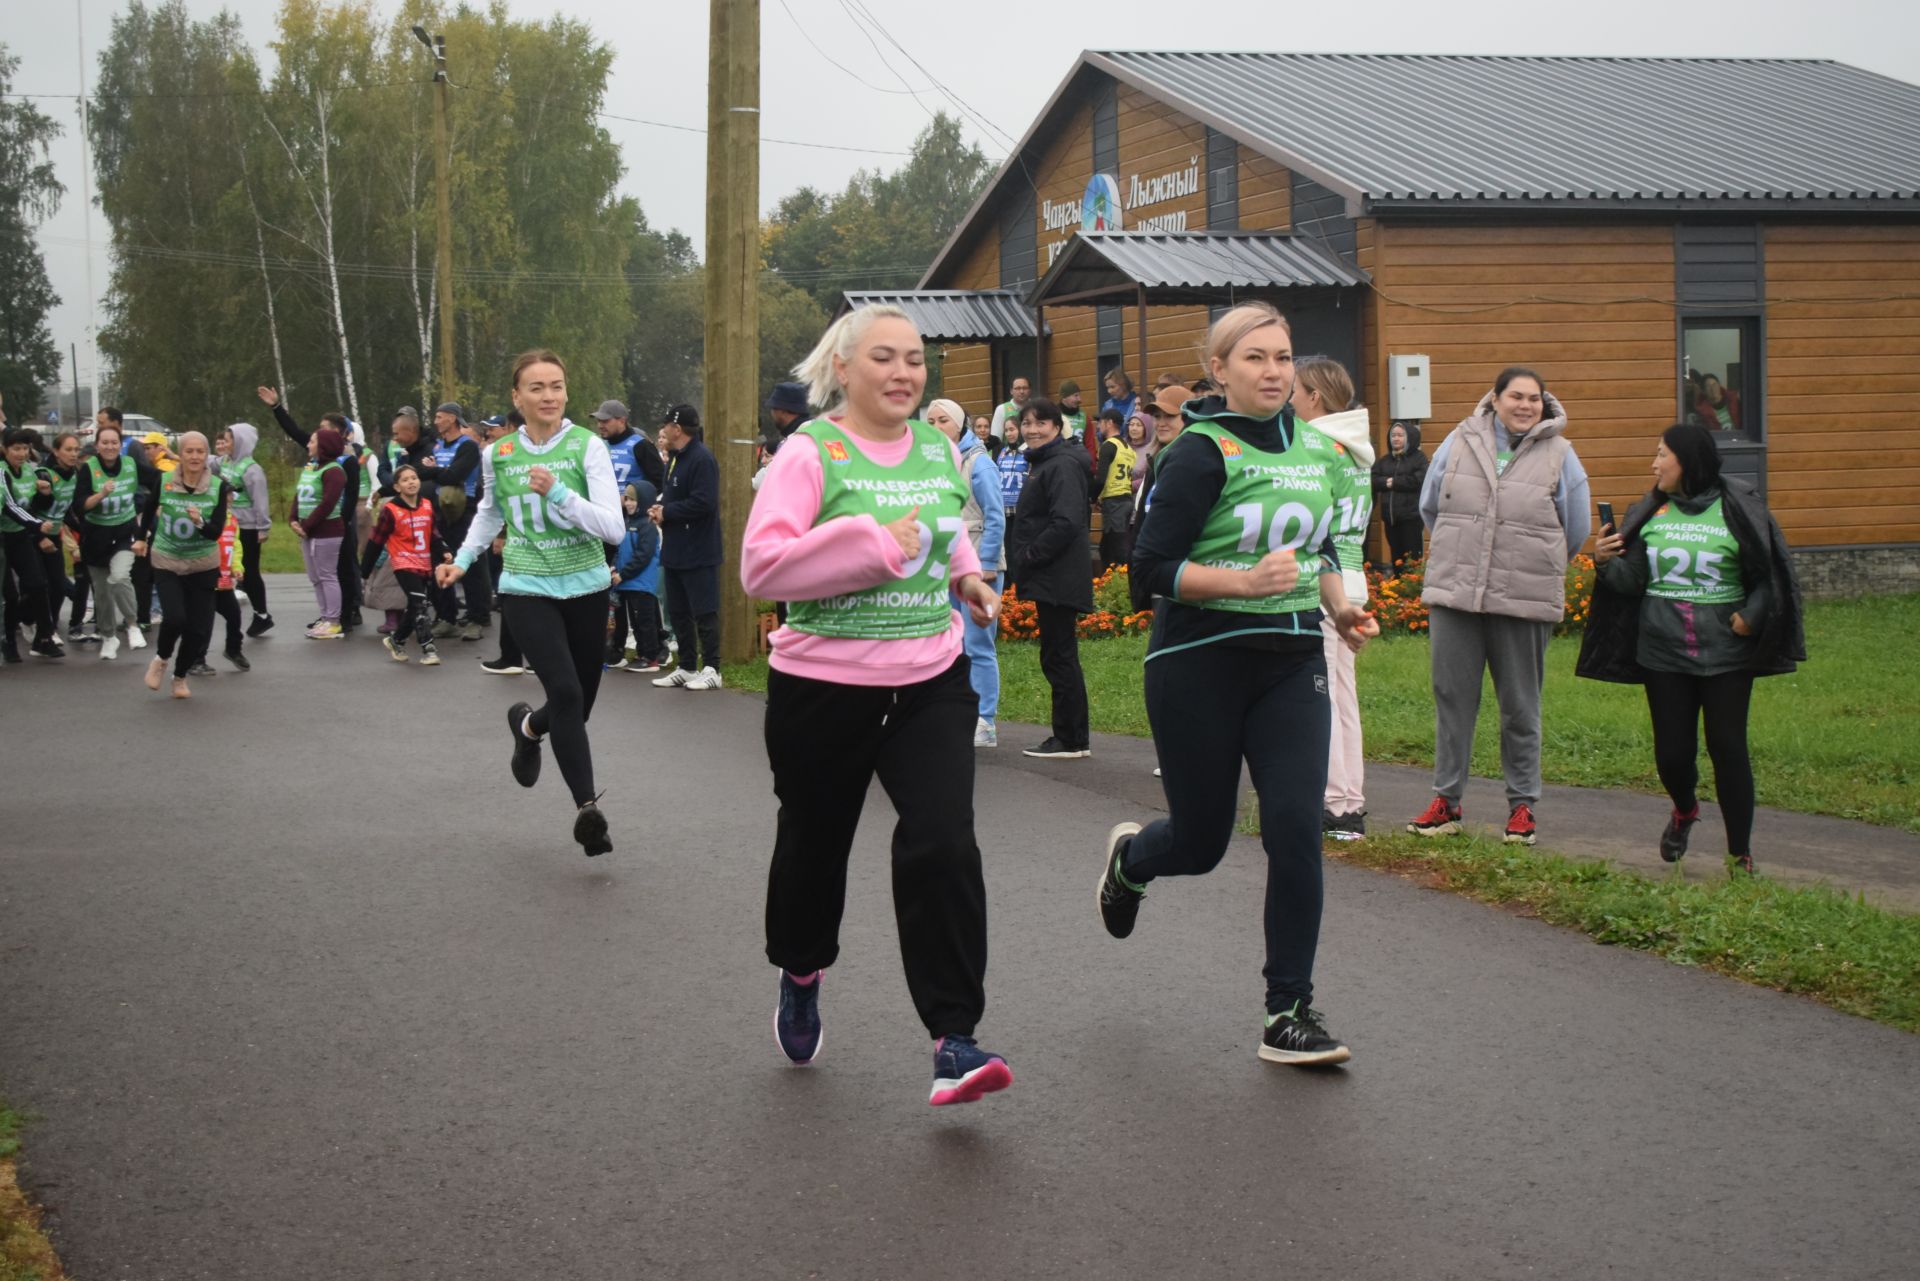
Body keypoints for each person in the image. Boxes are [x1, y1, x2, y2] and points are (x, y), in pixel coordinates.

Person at [741, 303, 1010, 1105]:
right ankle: (800, 966)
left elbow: (946, 525)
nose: (903, 373)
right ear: (846, 369)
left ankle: (954, 1038)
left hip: (929, 677)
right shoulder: (808, 452)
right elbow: (762, 568)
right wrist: (870, 541)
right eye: (885, 359)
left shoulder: (935, 444)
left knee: (943, 842)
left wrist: (966, 575)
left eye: (915, 360)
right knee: (814, 849)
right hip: (823, 687)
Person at [1101, 302, 1378, 1067]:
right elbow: (1147, 572)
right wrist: (1245, 583)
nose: (1273, 371)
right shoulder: (1199, 450)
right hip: (1198, 661)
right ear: (1219, 370)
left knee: (1297, 828)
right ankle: (1133, 862)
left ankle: (1287, 1009)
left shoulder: (1320, 453)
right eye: (1254, 357)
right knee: (1201, 841)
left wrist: (1340, 608)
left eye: (1284, 358)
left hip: (1291, 661)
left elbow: (1315, 548)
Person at [1579, 424, 1805, 876]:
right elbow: (1633, 582)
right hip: (1663, 652)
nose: (1654, 463)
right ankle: (1685, 809)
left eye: (1661, 454)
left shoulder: (1739, 507)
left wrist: (1753, 614)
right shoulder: (1651, 511)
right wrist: (1605, 562)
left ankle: (1740, 854)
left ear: (1686, 461)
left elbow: (1768, 575)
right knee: (1672, 754)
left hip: (1726, 653)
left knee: (1727, 747)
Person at [437, 350, 626, 857]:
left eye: (557, 386)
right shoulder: (497, 455)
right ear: (517, 397)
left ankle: (527, 726)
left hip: (586, 587)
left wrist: (561, 493)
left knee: (577, 706)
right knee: (564, 690)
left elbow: (613, 526)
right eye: (537, 388)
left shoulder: (587, 447)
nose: (549, 396)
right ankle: (589, 812)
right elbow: (488, 513)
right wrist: (464, 558)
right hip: (525, 586)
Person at [1409, 366, 1591, 847]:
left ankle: (1522, 806)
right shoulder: (1459, 440)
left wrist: (1532, 563)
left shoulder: (1560, 454)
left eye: (1535, 398)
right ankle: (1446, 802)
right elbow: (1432, 506)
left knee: (1520, 707)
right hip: (1456, 594)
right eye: (1517, 396)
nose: (1526, 406)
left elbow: (1575, 528)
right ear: (1495, 398)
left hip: (1523, 599)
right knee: (1452, 699)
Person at [1292, 356, 1377, 839]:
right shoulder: (1355, 446)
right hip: (1352, 573)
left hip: (1325, 581)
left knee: (1322, 693)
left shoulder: (1318, 445)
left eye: (1296, 391)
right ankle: (1349, 800)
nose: (1290, 399)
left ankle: (1336, 803)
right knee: (1343, 696)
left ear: (1314, 397)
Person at [1007, 397, 1093, 759]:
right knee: (1056, 655)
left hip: (1058, 576)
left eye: (1041, 423)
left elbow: (1067, 522)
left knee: (1059, 657)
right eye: (1026, 423)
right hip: (1051, 576)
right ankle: (1070, 735)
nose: (1032, 429)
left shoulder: (1061, 465)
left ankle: (1071, 738)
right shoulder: (1044, 463)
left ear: (1057, 427)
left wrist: (1029, 555)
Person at [927, 396, 1005, 748]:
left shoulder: (979, 463)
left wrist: (987, 565)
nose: (935, 428)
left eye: (942, 420)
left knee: (978, 645)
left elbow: (995, 516)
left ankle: (985, 720)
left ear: (960, 425)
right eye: (929, 422)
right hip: (945, 568)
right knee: (950, 645)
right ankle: (957, 713)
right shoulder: (933, 464)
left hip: (978, 567)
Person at [256, 387, 366, 632]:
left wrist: (343, 522)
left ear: (343, 433)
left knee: (344, 568)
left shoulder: (347, 459)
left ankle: (349, 611)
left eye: (326, 428)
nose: (319, 432)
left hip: (338, 522)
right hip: (317, 522)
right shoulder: (318, 457)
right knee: (323, 573)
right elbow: (294, 432)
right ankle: (329, 615)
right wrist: (276, 407)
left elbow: (348, 496)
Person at [136, 430, 231, 699]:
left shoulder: (217, 486)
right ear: (179, 453)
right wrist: (141, 538)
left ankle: (179, 677)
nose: (194, 456)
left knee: (198, 629)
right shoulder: (164, 479)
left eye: (200, 451)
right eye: (189, 451)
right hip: (168, 558)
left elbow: (215, 531)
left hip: (202, 563)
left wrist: (200, 521)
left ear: (206, 455)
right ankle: (161, 659)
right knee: (175, 617)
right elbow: (149, 506)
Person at [649, 404, 724, 690]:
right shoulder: (675, 458)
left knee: (704, 611)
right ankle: (688, 666)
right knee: (678, 610)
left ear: (677, 429)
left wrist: (668, 513)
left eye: (666, 424)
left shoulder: (702, 459)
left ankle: (713, 668)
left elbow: (705, 502)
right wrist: (660, 508)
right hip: (676, 547)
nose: (663, 430)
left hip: (699, 549)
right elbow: (675, 497)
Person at [412, 401, 491, 640]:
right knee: (440, 561)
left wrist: (437, 471)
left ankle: (478, 618)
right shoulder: (437, 445)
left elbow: (454, 474)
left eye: (439, 416)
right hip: (439, 510)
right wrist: (440, 472)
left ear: (452, 419)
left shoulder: (467, 446)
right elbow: (420, 472)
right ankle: (447, 617)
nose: (435, 421)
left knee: (471, 565)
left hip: (463, 510)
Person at [72, 420, 149, 660]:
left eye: (114, 442)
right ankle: (108, 636)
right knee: (102, 594)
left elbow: (157, 478)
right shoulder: (88, 469)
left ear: (120, 444)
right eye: (104, 442)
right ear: (97, 445)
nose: (109, 447)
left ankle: (133, 625)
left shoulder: (130, 464)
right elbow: (80, 506)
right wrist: (102, 494)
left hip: (124, 533)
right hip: (95, 538)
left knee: (119, 576)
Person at [361, 462, 447, 666]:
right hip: (402, 563)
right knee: (420, 603)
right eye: (405, 480)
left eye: (414, 478)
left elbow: (433, 533)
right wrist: (364, 570)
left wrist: (444, 550)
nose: (411, 482)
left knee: (415, 606)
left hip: (423, 562)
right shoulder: (390, 510)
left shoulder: (426, 505)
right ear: (397, 487)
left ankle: (396, 640)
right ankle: (428, 648)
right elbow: (376, 541)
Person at [1, 428, 58, 659]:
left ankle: (43, 638)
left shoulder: (29, 470)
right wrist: (37, 526)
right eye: (16, 449)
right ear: (5, 449)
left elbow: (36, 506)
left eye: (25, 448)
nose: (22, 453)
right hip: (3, 537)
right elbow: (10, 507)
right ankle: (9, 642)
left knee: (37, 585)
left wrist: (45, 494)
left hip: (20, 535)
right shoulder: (2, 472)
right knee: (10, 596)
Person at [289, 426, 350, 639]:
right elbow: (299, 494)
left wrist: (306, 526)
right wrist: (293, 519)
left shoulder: (334, 471)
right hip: (308, 531)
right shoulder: (310, 467)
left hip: (327, 531)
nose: (308, 445)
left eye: (313, 441)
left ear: (323, 445)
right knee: (315, 577)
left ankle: (334, 621)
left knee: (327, 575)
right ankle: (324, 617)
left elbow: (327, 503)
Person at [213, 422, 274, 635]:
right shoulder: (225, 462)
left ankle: (262, 615)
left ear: (240, 442)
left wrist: (263, 527)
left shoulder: (252, 470)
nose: (225, 444)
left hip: (247, 527)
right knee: (230, 567)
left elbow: (260, 500)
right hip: (228, 524)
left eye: (229, 440)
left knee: (248, 571)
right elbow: (208, 464)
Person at [609, 480, 663, 672]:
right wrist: (614, 567)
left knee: (645, 622)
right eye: (627, 499)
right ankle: (642, 653)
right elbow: (619, 549)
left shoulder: (647, 526)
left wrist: (623, 574)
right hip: (627, 582)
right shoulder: (627, 523)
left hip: (640, 583)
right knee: (637, 622)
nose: (629, 503)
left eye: (634, 500)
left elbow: (643, 556)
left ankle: (651, 658)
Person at [1371, 420, 1428, 573]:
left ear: (1408, 437)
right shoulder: (1385, 461)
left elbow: (1418, 480)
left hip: (1411, 518)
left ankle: (1413, 592)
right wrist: (1386, 483)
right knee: (1396, 558)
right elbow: (1373, 479)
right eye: (1393, 435)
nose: (1396, 439)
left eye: (1400, 435)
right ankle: (1397, 591)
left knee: (1412, 560)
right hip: (1391, 519)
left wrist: (1393, 482)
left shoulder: (1418, 458)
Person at [203, 511, 250, 672]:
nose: (231, 498)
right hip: (204, 578)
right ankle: (197, 659)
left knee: (234, 615)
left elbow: (235, 545)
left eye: (232, 494)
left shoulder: (232, 519)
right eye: (227, 494)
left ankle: (233, 650)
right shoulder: (205, 515)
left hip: (224, 581)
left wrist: (237, 567)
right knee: (203, 622)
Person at [1091, 407, 1137, 574]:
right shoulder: (1129, 449)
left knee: (1116, 549)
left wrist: (1092, 497)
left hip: (1114, 501)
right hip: (1126, 500)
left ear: (1109, 423)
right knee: (1109, 546)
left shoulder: (1108, 446)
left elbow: (1101, 478)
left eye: (1101, 422)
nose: (1098, 426)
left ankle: (1120, 583)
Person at [592, 399, 665, 494]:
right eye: (599, 421)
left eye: (605, 421)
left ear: (622, 421)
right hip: (603, 506)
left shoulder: (641, 445)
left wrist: (632, 498)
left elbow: (660, 482)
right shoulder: (597, 444)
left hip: (630, 507)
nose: (600, 426)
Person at [987, 376, 1031, 444]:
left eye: (1025, 388)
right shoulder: (1001, 409)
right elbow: (996, 438)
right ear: (1011, 391)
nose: (1021, 391)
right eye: (1018, 388)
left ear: (1029, 390)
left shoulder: (1035, 408)